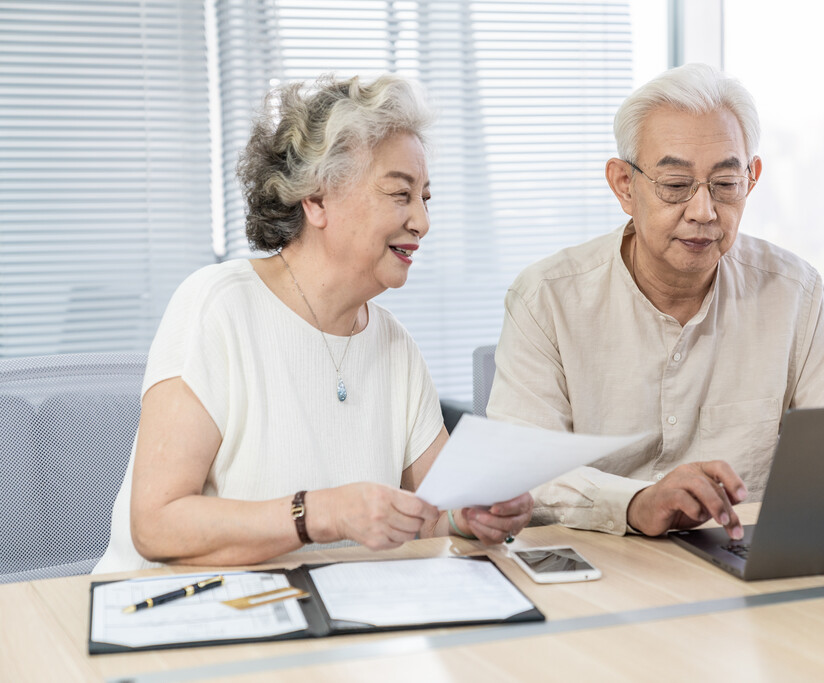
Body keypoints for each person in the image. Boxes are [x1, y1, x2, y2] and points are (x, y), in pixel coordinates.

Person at [94, 73, 531, 574]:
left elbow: (435, 513)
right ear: (317, 200)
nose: (422, 222)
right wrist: (322, 513)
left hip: (321, 620)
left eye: (425, 198)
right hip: (174, 621)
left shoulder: (394, 344)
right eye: (400, 194)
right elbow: (156, 526)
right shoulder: (217, 307)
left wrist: (472, 517)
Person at [486, 63, 824, 542]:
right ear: (624, 186)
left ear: (751, 179)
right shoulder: (547, 298)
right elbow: (522, 468)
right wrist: (635, 503)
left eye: (725, 184)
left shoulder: (794, 294)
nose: (703, 211)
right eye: (675, 186)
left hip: (739, 562)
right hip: (601, 566)